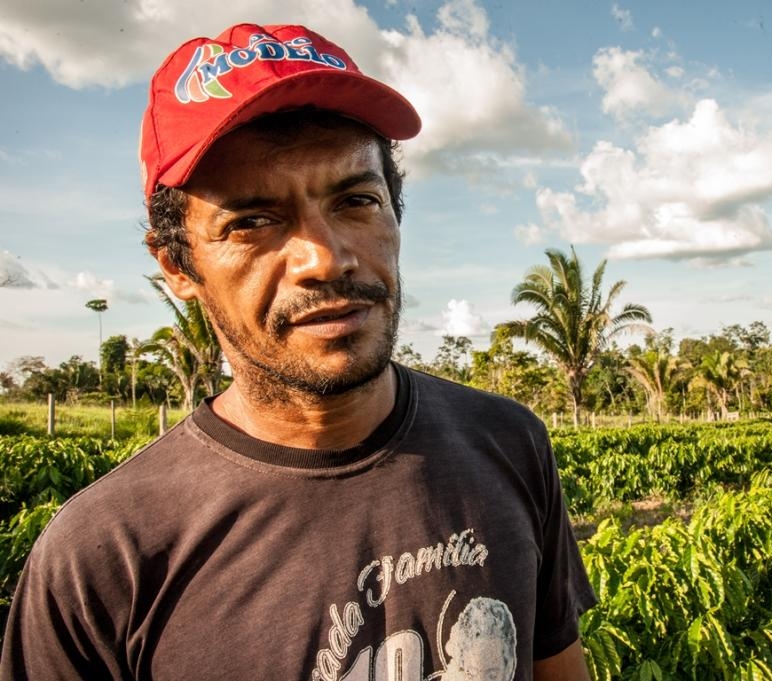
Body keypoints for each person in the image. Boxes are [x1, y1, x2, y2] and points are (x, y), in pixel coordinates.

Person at [0, 23, 596, 681]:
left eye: (356, 201)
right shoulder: (102, 559)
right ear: (176, 264)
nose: (325, 258)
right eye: (252, 221)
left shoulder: (510, 443)